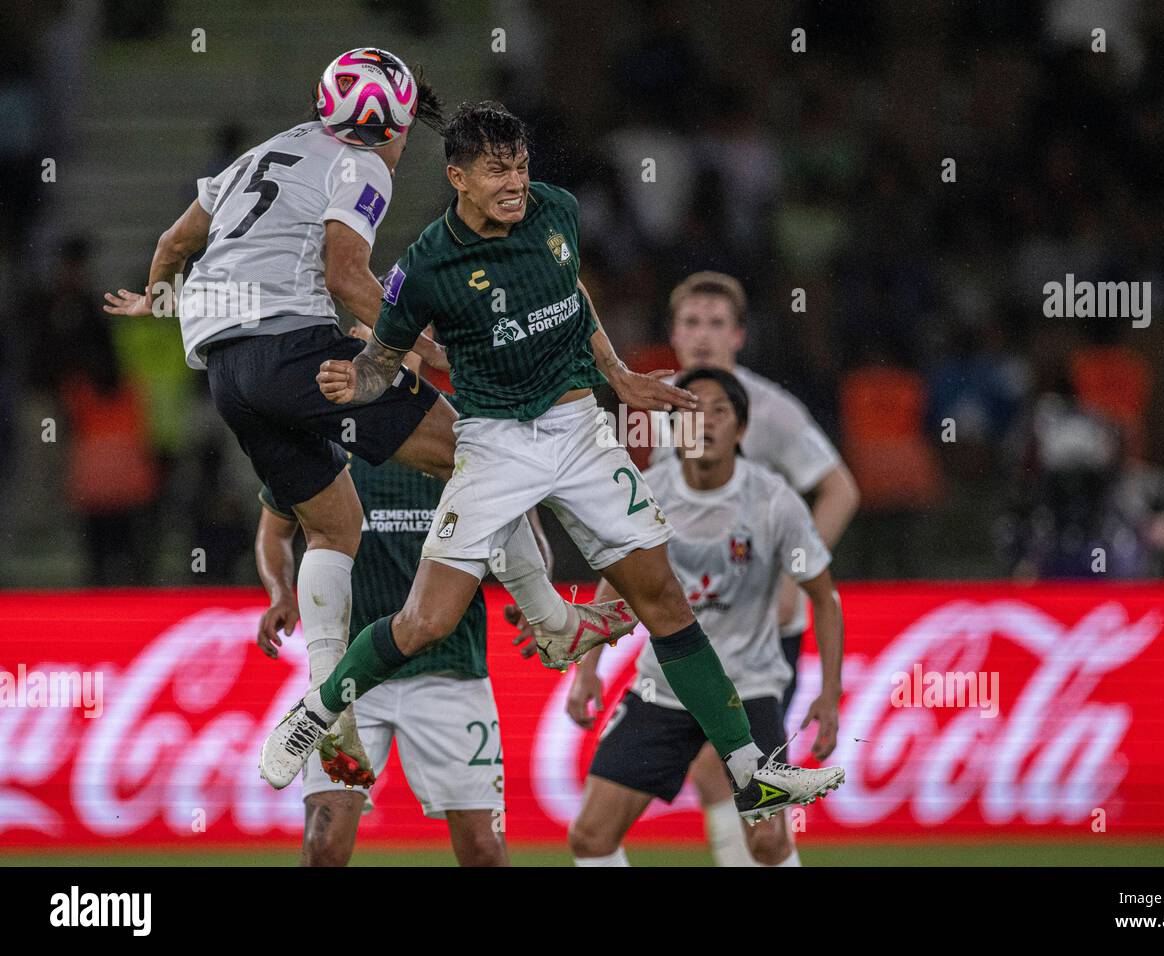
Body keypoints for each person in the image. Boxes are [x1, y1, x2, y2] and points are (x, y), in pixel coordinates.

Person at [260, 102, 845, 823]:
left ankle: (750, 771)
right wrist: (360, 380)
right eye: (497, 170)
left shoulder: (557, 211)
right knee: (425, 622)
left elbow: (572, 296)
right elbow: (385, 359)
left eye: (522, 165)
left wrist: (620, 376)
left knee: (662, 599)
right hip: (494, 441)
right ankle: (315, 711)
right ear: (457, 177)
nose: (516, 182)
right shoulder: (427, 266)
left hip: (577, 431)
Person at [104, 50, 630, 785]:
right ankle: (551, 620)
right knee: (477, 454)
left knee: (332, 525)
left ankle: (331, 703)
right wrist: (422, 345)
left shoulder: (268, 150)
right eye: (406, 120)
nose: (408, 135)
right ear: (385, 122)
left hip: (227, 373)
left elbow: (173, 245)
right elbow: (345, 273)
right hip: (295, 348)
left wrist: (161, 303)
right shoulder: (361, 162)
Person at [562, 369, 844, 866]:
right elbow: (619, 578)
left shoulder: (775, 502)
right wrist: (587, 669)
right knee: (590, 835)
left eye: (720, 411)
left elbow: (824, 598)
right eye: (692, 411)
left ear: (741, 429)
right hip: (663, 689)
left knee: (769, 841)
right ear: (675, 428)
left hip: (749, 690)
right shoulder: (645, 491)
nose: (706, 422)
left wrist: (828, 696)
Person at [253, 327, 509, 866]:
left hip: (448, 669)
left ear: (420, 354)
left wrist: (534, 600)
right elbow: (275, 530)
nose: (381, 356)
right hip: (347, 679)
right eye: (367, 343)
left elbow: (519, 529)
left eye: (394, 342)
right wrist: (280, 591)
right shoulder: (320, 434)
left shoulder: (461, 432)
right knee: (322, 849)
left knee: (484, 851)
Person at [654, 271, 859, 862]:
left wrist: (795, 572)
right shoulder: (665, 400)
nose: (702, 336)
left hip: (768, 627)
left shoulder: (769, 410)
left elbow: (840, 489)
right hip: (704, 621)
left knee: (750, 783)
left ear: (739, 336)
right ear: (672, 332)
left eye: (716, 323)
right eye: (691, 322)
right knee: (724, 775)